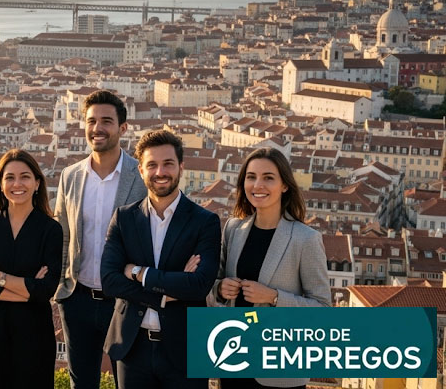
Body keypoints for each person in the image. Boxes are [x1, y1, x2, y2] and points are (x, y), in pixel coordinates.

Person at [101, 130, 221, 389]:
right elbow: (110, 281)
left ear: (181, 167)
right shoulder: (123, 218)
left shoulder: (205, 222)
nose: (160, 172)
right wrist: (166, 294)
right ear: (141, 171)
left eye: (168, 163)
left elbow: (199, 285)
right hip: (132, 348)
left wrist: (138, 273)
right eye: (152, 165)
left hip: (186, 349)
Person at [214, 148, 331, 389]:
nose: (258, 184)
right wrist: (219, 289)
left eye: (268, 177)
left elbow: (322, 310)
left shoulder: (305, 239)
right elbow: (214, 284)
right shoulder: (233, 229)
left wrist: (274, 297)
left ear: (285, 185)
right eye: (251, 176)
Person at [53, 90, 147, 389]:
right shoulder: (70, 175)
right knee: (81, 384)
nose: (98, 128)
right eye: (91, 121)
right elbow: (62, 233)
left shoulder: (142, 176)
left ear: (123, 128)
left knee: (128, 382)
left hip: (124, 301)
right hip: (77, 298)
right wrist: (61, 287)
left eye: (107, 121)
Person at [0, 149, 62, 389]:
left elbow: (46, 289)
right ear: (0, 184)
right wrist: (27, 290)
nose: (17, 184)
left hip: (34, 330)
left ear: (37, 183)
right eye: (10, 177)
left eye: (25, 176)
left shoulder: (50, 229)